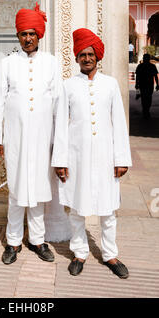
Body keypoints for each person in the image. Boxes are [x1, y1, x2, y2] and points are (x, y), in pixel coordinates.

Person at [0, 3, 67, 265]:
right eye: (23, 34)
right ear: (18, 36)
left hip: (43, 141)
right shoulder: (7, 63)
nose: (28, 38)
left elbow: (58, 105)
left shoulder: (52, 63)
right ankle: (12, 242)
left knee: (39, 191)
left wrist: (59, 146)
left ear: (39, 35)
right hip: (15, 141)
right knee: (16, 192)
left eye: (32, 33)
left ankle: (37, 240)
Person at [52, 28, 132, 279]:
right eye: (82, 54)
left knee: (108, 210)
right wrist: (60, 161)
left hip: (106, 158)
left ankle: (110, 254)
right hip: (77, 158)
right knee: (77, 209)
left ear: (98, 56)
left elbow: (119, 122)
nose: (87, 58)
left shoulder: (110, 84)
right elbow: (61, 127)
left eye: (90, 54)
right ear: (76, 58)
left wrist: (121, 159)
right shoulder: (68, 86)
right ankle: (79, 253)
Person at [135, 53, 159, 119]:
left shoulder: (142, 66)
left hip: (147, 84)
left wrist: (157, 84)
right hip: (146, 84)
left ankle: (146, 110)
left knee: (146, 98)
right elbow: (137, 76)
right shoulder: (149, 66)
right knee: (146, 98)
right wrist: (157, 84)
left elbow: (155, 76)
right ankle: (146, 110)